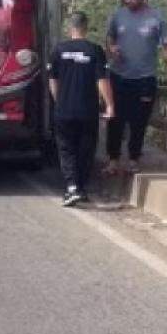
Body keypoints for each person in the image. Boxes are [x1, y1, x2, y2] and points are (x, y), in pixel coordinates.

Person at [104, 0, 167, 175]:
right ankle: (113, 160)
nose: (128, 0)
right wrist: (112, 49)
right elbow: (110, 38)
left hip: (145, 78)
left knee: (139, 121)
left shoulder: (157, 18)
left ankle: (133, 159)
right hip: (119, 76)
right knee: (115, 120)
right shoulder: (117, 16)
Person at [49, 12, 116, 206]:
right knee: (85, 150)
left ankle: (72, 187)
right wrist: (110, 105)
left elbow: (53, 80)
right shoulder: (94, 50)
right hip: (87, 110)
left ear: (70, 28)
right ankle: (80, 187)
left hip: (64, 110)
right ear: (86, 28)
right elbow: (102, 80)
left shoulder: (58, 50)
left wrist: (59, 100)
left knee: (66, 148)